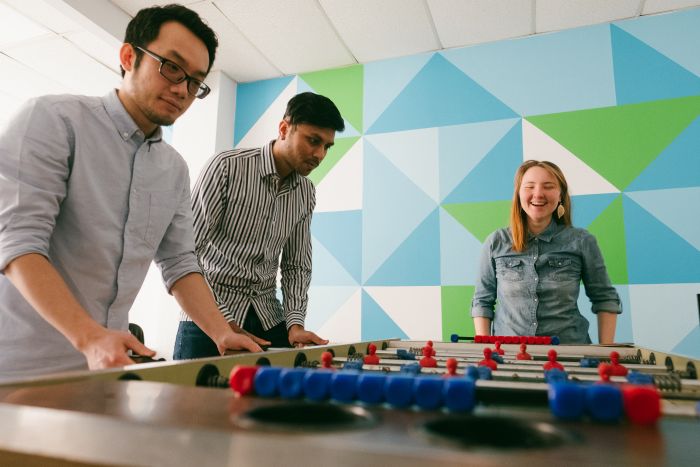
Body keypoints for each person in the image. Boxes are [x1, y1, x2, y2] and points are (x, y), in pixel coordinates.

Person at [0, 4, 261, 382]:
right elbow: (17, 242)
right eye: (172, 67)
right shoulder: (54, 120)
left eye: (195, 81)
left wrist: (221, 332)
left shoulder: (174, 169)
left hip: (104, 371)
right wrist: (90, 338)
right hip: (19, 369)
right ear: (128, 57)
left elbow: (180, 263)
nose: (182, 89)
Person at [173, 92, 345, 359]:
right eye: (313, 141)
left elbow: (296, 263)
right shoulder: (226, 168)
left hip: (268, 320)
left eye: (327, 146)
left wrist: (295, 323)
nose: (320, 154)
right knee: (193, 402)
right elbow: (186, 251)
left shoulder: (306, 192)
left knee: (274, 401)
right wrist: (223, 322)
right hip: (207, 318)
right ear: (284, 129)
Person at [471, 160, 621, 344]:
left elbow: (605, 299)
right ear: (518, 194)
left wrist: (605, 353)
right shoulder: (496, 242)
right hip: (510, 355)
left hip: (570, 354)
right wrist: (486, 352)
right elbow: (482, 302)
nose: (538, 194)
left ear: (560, 195)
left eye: (548, 187)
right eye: (529, 187)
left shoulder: (581, 241)